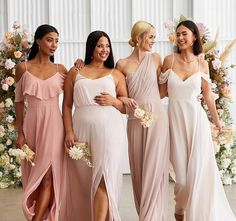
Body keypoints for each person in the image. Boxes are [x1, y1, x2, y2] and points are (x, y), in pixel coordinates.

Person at [160, 20, 236, 221]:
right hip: (175, 123)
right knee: (182, 181)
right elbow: (159, 92)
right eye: (178, 34)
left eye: (184, 33)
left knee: (196, 176)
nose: (181, 37)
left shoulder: (202, 63)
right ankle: (180, 212)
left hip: (197, 123)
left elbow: (208, 95)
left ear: (194, 37)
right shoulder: (169, 61)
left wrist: (217, 121)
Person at [60, 30, 127, 221]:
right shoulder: (76, 72)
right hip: (81, 131)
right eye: (100, 45)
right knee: (85, 180)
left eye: (107, 46)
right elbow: (66, 105)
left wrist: (114, 101)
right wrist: (69, 132)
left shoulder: (116, 74)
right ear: (91, 48)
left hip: (110, 132)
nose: (104, 49)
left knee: (104, 179)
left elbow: (125, 107)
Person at [116, 21, 170, 221]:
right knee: (139, 167)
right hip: (135, 119)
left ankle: (151, 217)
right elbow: (120, 95)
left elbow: (163, 93)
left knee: (155, 168)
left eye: (154, 37)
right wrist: (123, 99)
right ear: (138, 38)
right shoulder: (121, 64)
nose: (153, 41)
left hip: (157, 118)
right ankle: (144, 213)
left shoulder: (156, 58)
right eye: (150, 37)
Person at [15, 24, 67, 221]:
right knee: (34, 177)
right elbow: (19, 102)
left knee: (47, 177)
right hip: (31, 127)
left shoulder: (61, 69)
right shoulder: (23, 68)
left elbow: (76, 91)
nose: (54, 44)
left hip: (54, 126)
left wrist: (80, 64)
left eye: (56, 40)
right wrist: (20, 133)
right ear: (38, 41)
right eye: (49, 39)